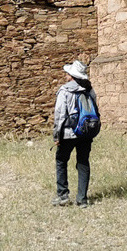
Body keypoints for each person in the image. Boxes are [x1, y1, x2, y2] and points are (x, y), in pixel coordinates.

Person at [52, 59, 99, 208]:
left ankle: (63, 196)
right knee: (83, 162)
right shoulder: (89, 89)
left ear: (71, 76)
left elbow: (59, 115)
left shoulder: (65, 90)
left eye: (67, 73)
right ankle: (82, 199)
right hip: (86, 132)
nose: (66, 75)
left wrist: (56, 136)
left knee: (61, 161)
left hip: (69, 132)